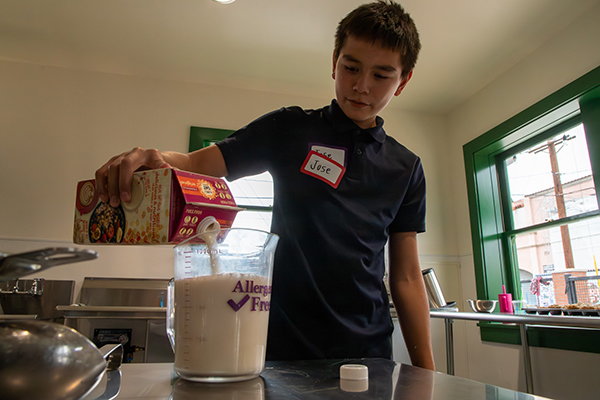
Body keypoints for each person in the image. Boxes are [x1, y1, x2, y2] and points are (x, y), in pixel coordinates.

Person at [96, 0, 435, 370]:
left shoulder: (406, 167)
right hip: (280, 347)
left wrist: (427, 372)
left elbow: (405, 277)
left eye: (381, 75)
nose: (361, 86)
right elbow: (197, 164)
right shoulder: (290, 129)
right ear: (334, 60)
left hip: (368, 353)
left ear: (404, 81)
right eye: (350, 67)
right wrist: (151, 158)